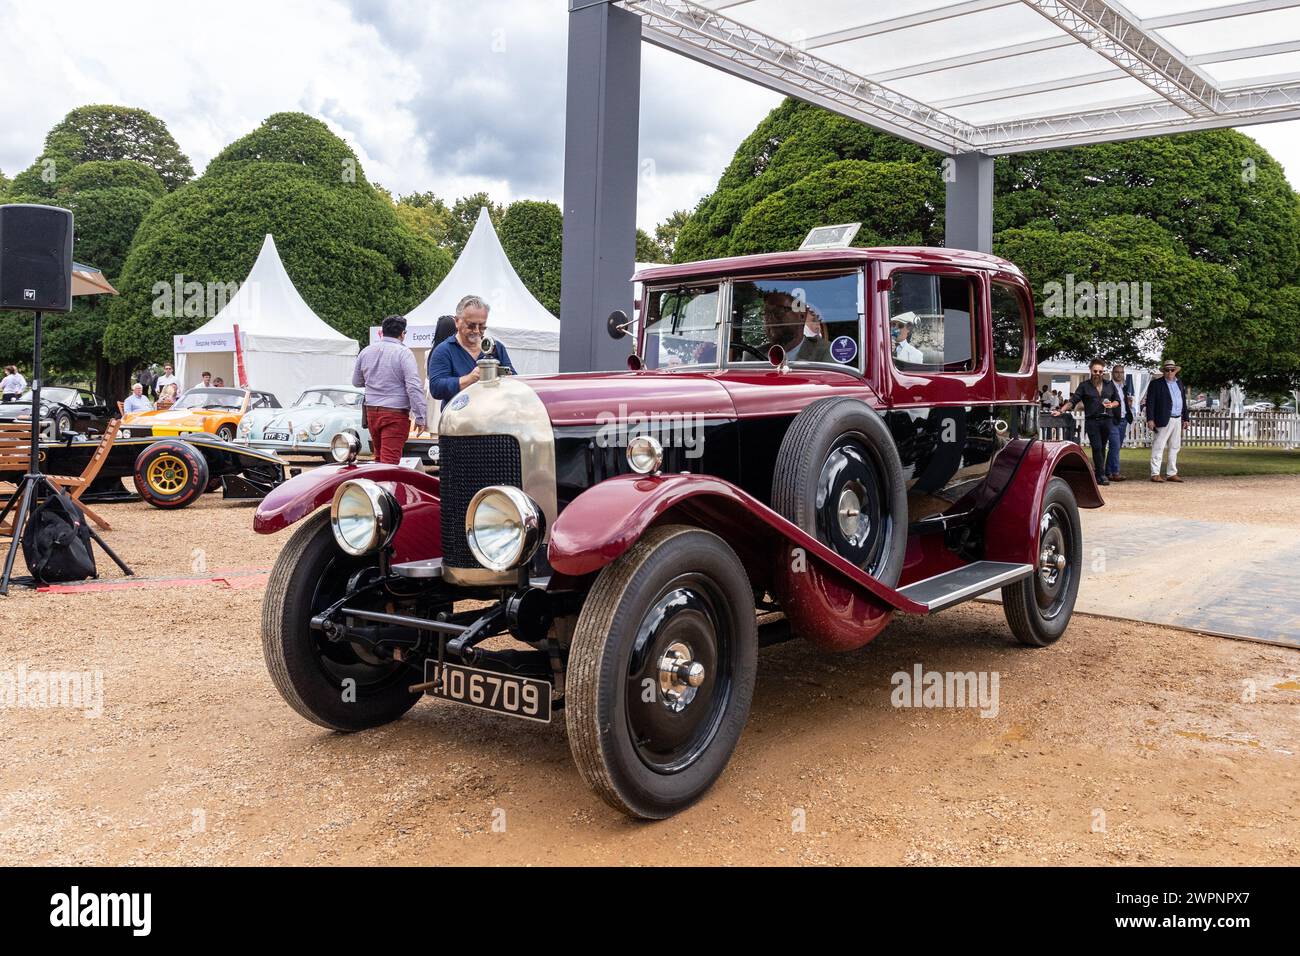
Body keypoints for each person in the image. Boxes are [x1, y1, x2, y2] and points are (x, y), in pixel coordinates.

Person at [352, 313, 427, 463]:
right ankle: (387, 486)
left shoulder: (366, 351)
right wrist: (420, 416)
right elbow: (413, 386)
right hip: (395, 412)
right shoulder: (404, 353)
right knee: (390, 461)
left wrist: (375, 382)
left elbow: (356, 381)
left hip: (372, 410)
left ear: (382, 331)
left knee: (379, 458)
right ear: (402, 333)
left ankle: (378, 485)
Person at [427, 295, 517, 410]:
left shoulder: (497, 347)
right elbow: (436, 388)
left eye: (482, 327)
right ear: (457, 321)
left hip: (493, 416)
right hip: (459, 420)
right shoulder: (444, 350)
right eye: (471, 325)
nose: (477, 331)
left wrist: (505, 377)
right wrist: (469, 379)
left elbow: (514, 379)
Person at [1053, 359, 1122, 486]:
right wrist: (1061, 410)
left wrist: (1112, 405)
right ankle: (1101, 475)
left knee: (1102, 447)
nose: (1098, 373)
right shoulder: (1084, 386)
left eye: (1100, 371)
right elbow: (1073, 401)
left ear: (1103, 372)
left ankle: (1099, 474)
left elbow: (1117, 400)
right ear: (1090, 370)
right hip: (1092, 421)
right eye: (1095, 371)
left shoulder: (1109, 385)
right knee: (1096, 447)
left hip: (1107, 420)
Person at [1146, 359, 1189, 483]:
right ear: (1163, 371)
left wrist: (1186, 418)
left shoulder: (1179, 383)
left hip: (1177, 418)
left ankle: (1172, 473)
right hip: (1163, 419)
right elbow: (1150, 402)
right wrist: (1150, 419)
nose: (1170, 372)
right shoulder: (1156, 384)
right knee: (1158, 446)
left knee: (1175, 447)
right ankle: (1155, 473)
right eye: (1167, 370)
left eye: (1172, 370)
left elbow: (1183, 402)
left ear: (1175, 371)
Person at [759, 291, 831, 362]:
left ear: (801, 316)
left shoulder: (826, 353)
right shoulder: (752, 356)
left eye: (779, 311)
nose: (771, 318)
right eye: (766, 313)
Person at [1105, 364, 1135, 482]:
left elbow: (1125, 402)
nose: (1119, 374)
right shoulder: (1108, 386)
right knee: (1115, 445)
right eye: (1117, 372)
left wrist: (1128, 413)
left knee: (1115, 447)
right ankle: (1116, 472)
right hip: (1112, 419)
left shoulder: (1124, 386)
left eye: (1121, 372)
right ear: (1112, 373)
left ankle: (1108, 472)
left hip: (1123, 419)